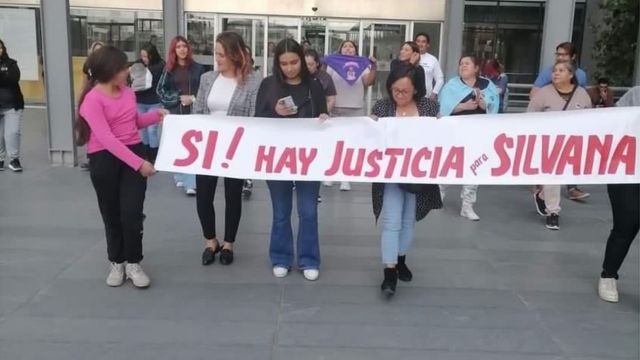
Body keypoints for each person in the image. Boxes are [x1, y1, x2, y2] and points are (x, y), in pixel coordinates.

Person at [75, 46, 168, 288]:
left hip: (133, 152)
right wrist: (140, 164)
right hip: (105, 158)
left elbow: (132, 122)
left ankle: (134, 263)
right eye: (123, 67)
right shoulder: (92, 100)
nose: (128, 70)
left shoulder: (128, 93)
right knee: (112, 214)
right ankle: (117, 262)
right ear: (110, 70)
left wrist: (155, 116)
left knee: (132, 213)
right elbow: (106, 138)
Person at [255, 38, 328, 281]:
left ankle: (309, 258)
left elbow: (322, 117)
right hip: (277, 158)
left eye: (294, 62)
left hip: (308, 159)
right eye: (283, 63)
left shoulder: (315, 86)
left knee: (308, 211)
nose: (289, 68)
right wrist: (273, 112)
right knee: (281, 211)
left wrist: (325, 118)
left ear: (302, 59)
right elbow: (257, 120)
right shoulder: (268, 86)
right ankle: (281, 257)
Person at [371, 62, 442, 298]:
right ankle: (389, 272)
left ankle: (401, 259)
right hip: (389, 174)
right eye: (395, 90)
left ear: (416, 90)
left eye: (405, 91)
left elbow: (444, 134)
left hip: (418, 175)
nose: (399, 95)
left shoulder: (428, 107)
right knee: (392, 220)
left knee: (408, 219)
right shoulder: (382, 107)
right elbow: (367, 136)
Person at [192, 31, 261, 266]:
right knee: (203, 195)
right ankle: (210, 242)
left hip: (236, 148)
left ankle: (229, 244)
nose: (217, 59)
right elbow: (198, 112)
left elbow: (253, 117)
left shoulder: (252, 82)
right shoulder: (207, 79)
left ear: (234, 55)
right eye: (216, 54)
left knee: (233, 196)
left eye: (222, 55)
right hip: (207, 147)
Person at [527, 61, 592, 230]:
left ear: (571, 75)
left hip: (572, 143)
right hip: (548, 143)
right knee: (552, 176)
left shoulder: (581, 94)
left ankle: (542, 196)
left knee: (561, 176)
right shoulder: (543, 93)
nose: (556, 73)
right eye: (554, 70)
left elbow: (590, 118)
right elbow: (530, 116)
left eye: (561, 70)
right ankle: (553, 212)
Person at [438, 55, 499, 221]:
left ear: (476, 68)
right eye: (461, 64)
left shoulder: (487, 85)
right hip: (455, 132)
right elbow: (442, 107)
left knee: (474, 166)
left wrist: (483, 104)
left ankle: (467, 205)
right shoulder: (452, 85)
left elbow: (495, 105)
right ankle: (438, 196)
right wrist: (462, 106)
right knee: (451, 164)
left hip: (478, 133)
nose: (463, 66)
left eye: (467, 63)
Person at [597, 86, 640, 303]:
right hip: (627, 169)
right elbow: (614, 124)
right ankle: (609, 274)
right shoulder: (635, 94)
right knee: (628, 223)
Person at [323, 40, 376, 191]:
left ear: (355, 50)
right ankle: (330, 174)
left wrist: (373, 67)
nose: (348, 48)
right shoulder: (333, 64)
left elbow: (368, 81)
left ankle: (345, 177)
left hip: (354, 108)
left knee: (350, 143)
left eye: (351, 46)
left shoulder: (362, 64)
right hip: (335, 107)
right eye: (345, 46)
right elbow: (324, 80)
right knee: (334, 142)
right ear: (340, 50)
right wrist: (326, 62)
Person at [157, 36, 205, 196]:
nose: (182, 49)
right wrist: (178, 97)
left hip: (195, 112)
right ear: (174, 50)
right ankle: (180, 175)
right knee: (179, 147)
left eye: (184, 46)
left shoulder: (198, 68)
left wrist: (193, 98)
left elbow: (205, 89)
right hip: (176, 112)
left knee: (192, 147)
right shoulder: (169, 69)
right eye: (178, 47)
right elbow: (161, 91)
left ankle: (191, 183)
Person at [131, 42, 165, 163]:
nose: (143, 59)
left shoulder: (161, 65)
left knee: (152, 130)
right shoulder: (138, 64)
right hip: (140, 101)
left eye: (146, 56)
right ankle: (145, 155)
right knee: (143, 129)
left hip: (154, 102)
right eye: (142, 56)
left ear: (152, 55)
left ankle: (154, 157)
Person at [0, 39, 25, 172]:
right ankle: (0, 159)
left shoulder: (11, 64)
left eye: (0, 48)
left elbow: (14, 78)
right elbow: (6, 79)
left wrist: (3, 76)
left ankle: (14, 159)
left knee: (13, 132)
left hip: (12, 105)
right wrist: (4, 75)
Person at [80, 41, 105, 170]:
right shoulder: (88, 64)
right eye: (95, 50)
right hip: (91, 97)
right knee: (90, 129)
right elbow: (85, 80)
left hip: (104, 98)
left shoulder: (107, 65)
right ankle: (91, 157)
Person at [304, 48, 337, 113]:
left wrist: (324, 113)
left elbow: (331, 100)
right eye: (305, 64)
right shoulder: (297, 76)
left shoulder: (325, 77)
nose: (307, 67)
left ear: (317, 63)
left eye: (310, 64)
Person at [414, 32, 444, 100]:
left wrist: (434, 93)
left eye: (423, 42)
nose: (420, 44)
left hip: (426, 98)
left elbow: (440, 79)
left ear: (428, 45)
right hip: (409, 98)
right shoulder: (409, 57)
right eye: (418, 41)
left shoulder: (432, 59)